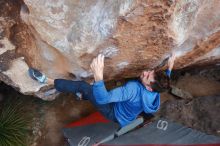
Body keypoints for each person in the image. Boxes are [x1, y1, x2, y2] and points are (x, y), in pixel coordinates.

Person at [28, 54, 176, 127]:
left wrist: (98, 76)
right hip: (126, 117)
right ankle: (84, 95)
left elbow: (103, 99)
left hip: (112, 112)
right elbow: (162, 83)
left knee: (84, 86)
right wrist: (170, 67)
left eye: (147, 76)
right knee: (95, 90)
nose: (145, 72)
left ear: (149, 87)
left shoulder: (132, 89)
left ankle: (46, 81)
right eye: (150, 71)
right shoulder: (156, 91)